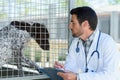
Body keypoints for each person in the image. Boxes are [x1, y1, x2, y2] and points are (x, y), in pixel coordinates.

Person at [54, 6, 120, 80]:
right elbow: (71, 67)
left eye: (73, 23)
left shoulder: (107, 42)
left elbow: (112, 75)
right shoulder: (75, 43)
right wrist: (64, 69)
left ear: (85, 24)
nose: (69, 26)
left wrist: (78, 77)